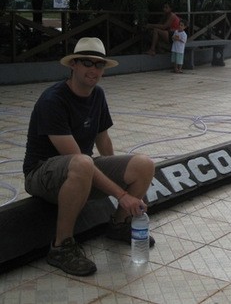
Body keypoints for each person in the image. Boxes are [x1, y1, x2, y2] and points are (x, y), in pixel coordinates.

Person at [23, 37, 156, 276]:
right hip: (42, 174)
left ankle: (119, 224)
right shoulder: (53, 100)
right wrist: (122, 194)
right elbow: (75, 156)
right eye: (87, 63)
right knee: (83, 161)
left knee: (143, 164)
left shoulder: (97, 95)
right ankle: (60, 246)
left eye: (99, 64)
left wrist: (123, 181)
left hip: (78, 169)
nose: (93, 70)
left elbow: (102, 139)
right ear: (72, 64)